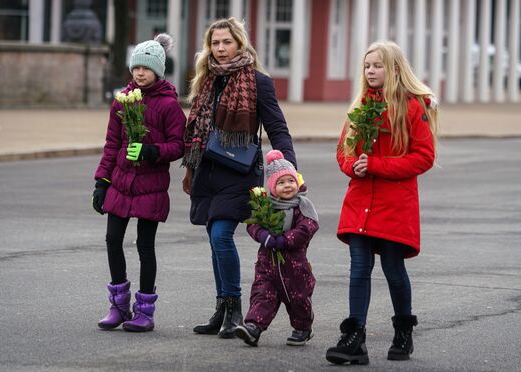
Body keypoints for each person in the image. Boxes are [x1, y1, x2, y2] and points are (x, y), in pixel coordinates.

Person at [181, 17, 297, 339]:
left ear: (240, 44)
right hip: (207, 169)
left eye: (226, 42)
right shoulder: (206, 80)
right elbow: (195, 127)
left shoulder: (258, 82)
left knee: (221, 235)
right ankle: (222, 308)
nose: (220, 49)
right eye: (215, 43)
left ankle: (234, 309)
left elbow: (277, 128)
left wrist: (290, 169)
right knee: (212, 238)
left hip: (240, 171)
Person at [325, 41, 438, 365]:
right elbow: (344, 150)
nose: (370, 71)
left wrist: (375, 165)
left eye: (377, 65)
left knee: (393, 268)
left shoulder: (412, 107)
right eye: (367, 66)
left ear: (395, 69)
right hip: (360, 200)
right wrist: (353, 166)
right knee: (359, 267)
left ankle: (404, 330)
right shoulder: (360, 106)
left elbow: (424, 157)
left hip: (394, 204)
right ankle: (354, 338)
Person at [93, 33, 186, 332]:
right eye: (136, 68)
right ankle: (118, 305)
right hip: (121, 182)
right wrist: (102, 181)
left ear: (158, 70)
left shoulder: (169, 105)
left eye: (145, 68)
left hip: (151, 184)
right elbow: (111, 144)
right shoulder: (122, 102)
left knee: (145, 246)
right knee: (112, 240)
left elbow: (179, 145)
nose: (139, 73)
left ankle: (144, 311)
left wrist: (152, 151)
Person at [235, 150, 319, 347]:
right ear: (272, 187)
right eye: (281, 183)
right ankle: (253, 327)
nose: (287, 186)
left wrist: (284, 240)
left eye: (290, 181)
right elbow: (253, 224)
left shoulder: (302, 206)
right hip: (268, 264)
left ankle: (302, 328)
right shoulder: (266, 205)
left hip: (295, 266)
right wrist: (263, 235)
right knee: (262, 294)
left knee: (298, 299)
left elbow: (307, 227)